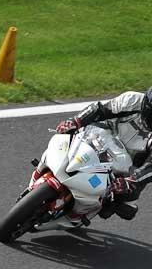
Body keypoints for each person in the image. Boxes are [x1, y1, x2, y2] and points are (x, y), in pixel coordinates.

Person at [54, 87, 152, 220]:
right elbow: (99, 109)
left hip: (126, 166)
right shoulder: (132, 100)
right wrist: (75, 121)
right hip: (100, 137)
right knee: (65, 135)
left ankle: (91, 206)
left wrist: (131, 182)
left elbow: (149, 168)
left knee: (127, 209)